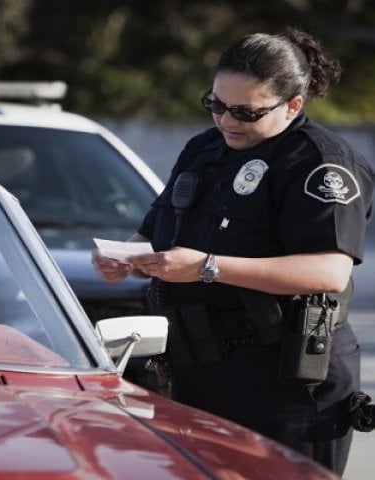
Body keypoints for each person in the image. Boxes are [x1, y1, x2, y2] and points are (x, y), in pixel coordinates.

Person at [92, 27, 375, 475]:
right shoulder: (205, 150)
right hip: (197, 372)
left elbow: (328, 270)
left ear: (293, 105)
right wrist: (126, 259)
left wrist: (207, 268)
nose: (227, 120)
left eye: (246, 111)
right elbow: (155, 230)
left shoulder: (321, 163)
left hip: (283, 381)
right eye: (216, 104)